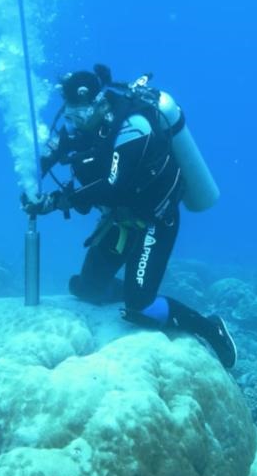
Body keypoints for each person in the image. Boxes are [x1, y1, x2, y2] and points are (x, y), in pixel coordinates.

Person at [22, 64, 237, 368]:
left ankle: (208, 326)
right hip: (119, 220)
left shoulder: (133, 127)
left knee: (140, 308)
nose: (75, 123)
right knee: (86, 288)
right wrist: (31, 181)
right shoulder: (78, 127)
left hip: (155, 220)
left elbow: (112, 186)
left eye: (80, 115)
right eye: (70, 115)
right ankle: (137, 286)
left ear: (98, 103)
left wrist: (55, 202)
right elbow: (49, 153)